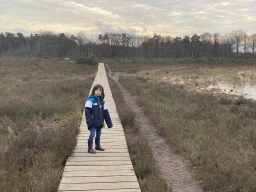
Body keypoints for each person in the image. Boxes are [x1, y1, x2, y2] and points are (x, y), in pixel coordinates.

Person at [85, 84, 113, 154]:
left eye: (100, 90)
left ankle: (97, 145)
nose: (98, 92)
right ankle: (90, 148)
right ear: (93, 91)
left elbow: (106, 113)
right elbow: (87, 112)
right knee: (92, 134)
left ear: (102, 92)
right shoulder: (90, 100)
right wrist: (89, 121)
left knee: (98, 134)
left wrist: (109, 123)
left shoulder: (102, 101)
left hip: (100, 121)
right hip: (92, 122)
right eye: (97, 90)